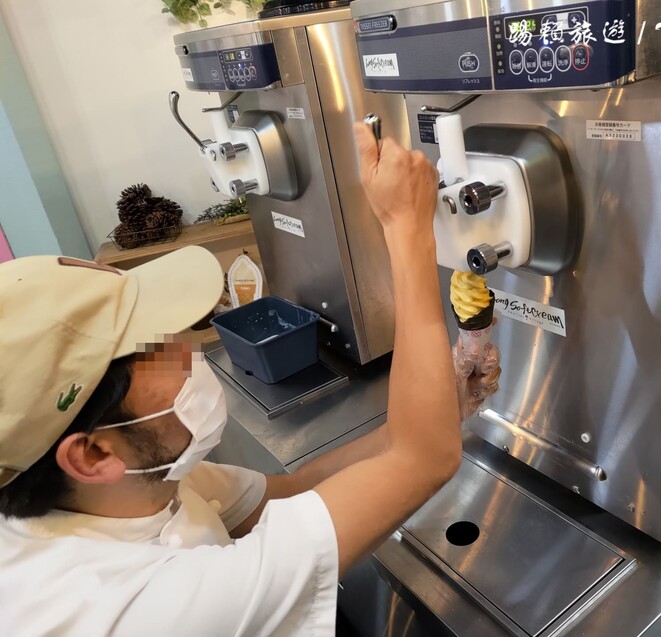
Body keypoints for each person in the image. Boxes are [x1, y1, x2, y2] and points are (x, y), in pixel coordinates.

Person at [0, 123, 501, 636]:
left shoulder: (126, 488)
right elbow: (424, 460)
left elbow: (290, 491)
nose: (185, 348)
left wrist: (439, 407)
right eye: (152, 348)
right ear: (92, 455)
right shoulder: (134, 610)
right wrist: (405, 227)